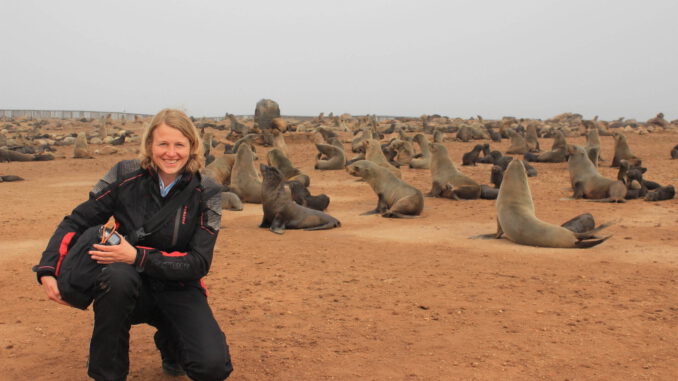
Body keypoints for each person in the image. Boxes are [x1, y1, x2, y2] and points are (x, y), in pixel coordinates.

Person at [33, 109, 233, 381]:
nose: (170, 153)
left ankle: (171, 343)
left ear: (192, 147)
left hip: (179, 286)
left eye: (179, 145)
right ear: (150, 145)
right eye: (163, 144)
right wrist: (46, 269)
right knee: (115, 277)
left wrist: (137, 256)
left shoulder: (207, 191)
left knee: (212, 368)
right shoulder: (123, 175)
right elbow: (77, 221)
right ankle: (108, 373)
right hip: (129, 284)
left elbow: (199, 262)